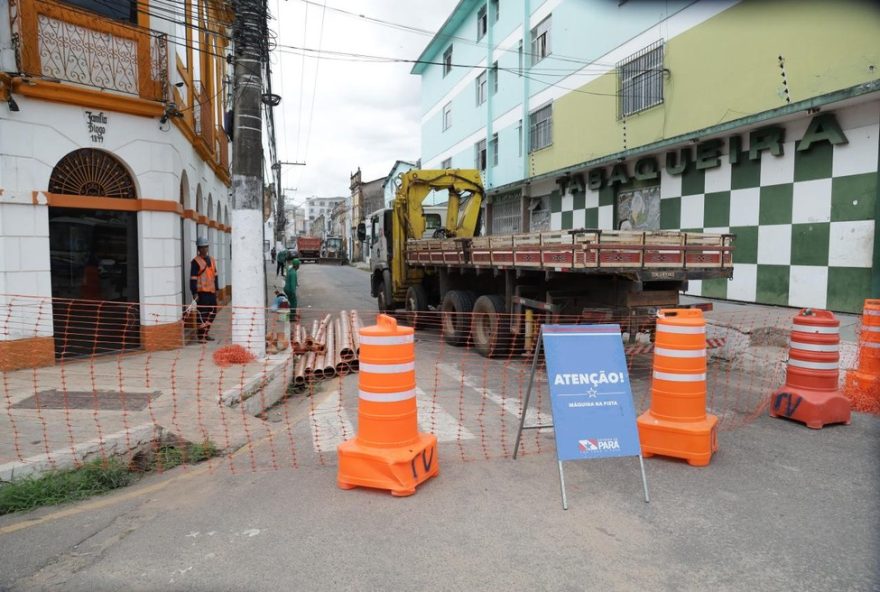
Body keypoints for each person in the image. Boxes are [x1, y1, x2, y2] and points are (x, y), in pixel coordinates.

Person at [190, 236, 219, 343]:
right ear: (198, 248)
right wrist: (194, 292)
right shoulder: (195, 261)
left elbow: (215, 275)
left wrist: (217, 289)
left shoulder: (211, 260)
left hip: (211, 292)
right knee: (202, 314)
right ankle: (201, 336)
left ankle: (206, 333)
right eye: (202, 247)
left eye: (206, 247)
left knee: (213, 312)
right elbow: (193, 278)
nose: (204, 249)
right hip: (202, 293)